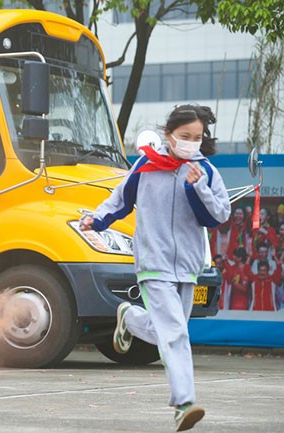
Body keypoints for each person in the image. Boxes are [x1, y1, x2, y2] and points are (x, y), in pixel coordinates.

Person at [80, 104, 230, 432]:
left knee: (164, 329)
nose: (191, 142)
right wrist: (97, 219)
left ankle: (129, 318)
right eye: (184, 136)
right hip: (153, 263)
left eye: (197, 137)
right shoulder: (146, 166)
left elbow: (218, 215)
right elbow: (120, 200)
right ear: (169, 135)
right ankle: (184, 403)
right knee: (175, 333)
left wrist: (198, 188)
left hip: (187, 267)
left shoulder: (205, 171)